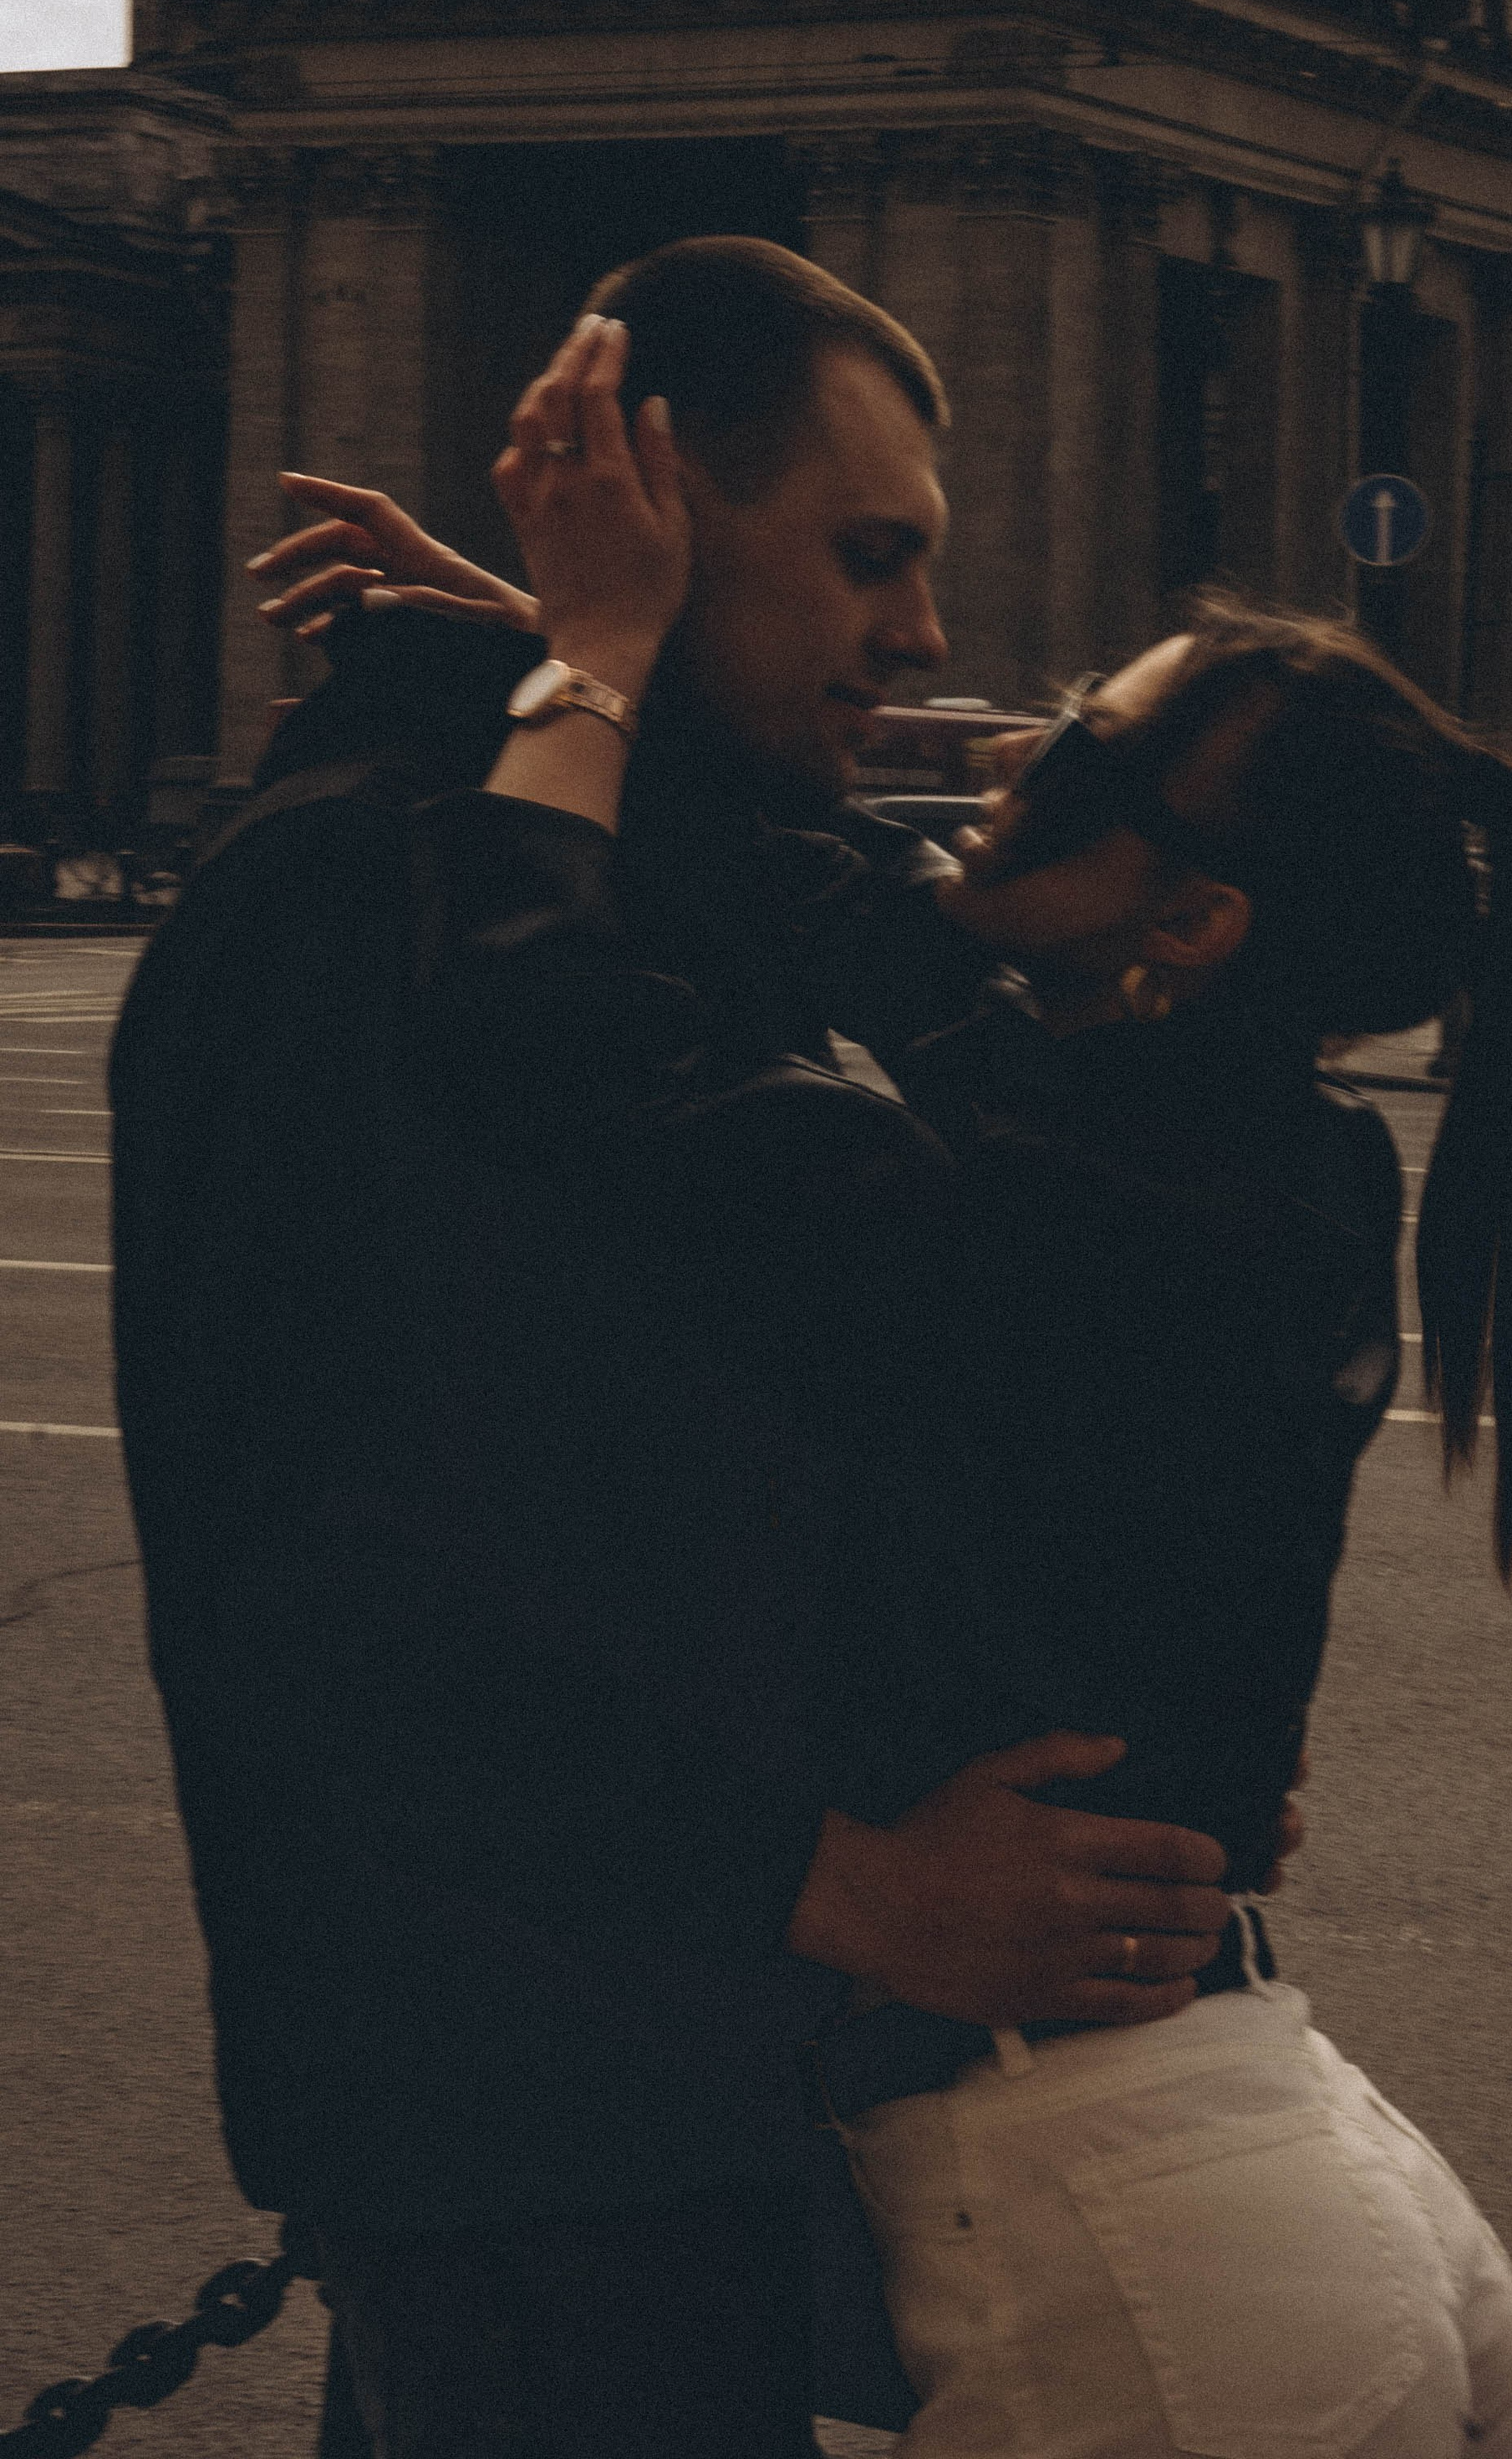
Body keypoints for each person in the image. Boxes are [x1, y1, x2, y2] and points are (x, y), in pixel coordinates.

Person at [387, 314, 1512, 2457]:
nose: (1003, 746)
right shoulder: (1247, 1146)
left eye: (1082, 753)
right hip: (1253, 2171)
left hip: (1147, 2249)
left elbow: (531, 1026)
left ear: (1193, 919)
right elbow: (860, 907)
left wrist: (590, 671)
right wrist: (581, 642)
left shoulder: (1060, 1194)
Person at [109, 242, 1240, 2459]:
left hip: (677, 2060)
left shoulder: (588, 859)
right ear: (653, 506)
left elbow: (826, 936)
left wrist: (551, 654)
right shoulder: (340, 900)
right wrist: (837, 1886)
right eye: (868, 556)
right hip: (516, 2096)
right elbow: (314, 1583)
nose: (922, 634)